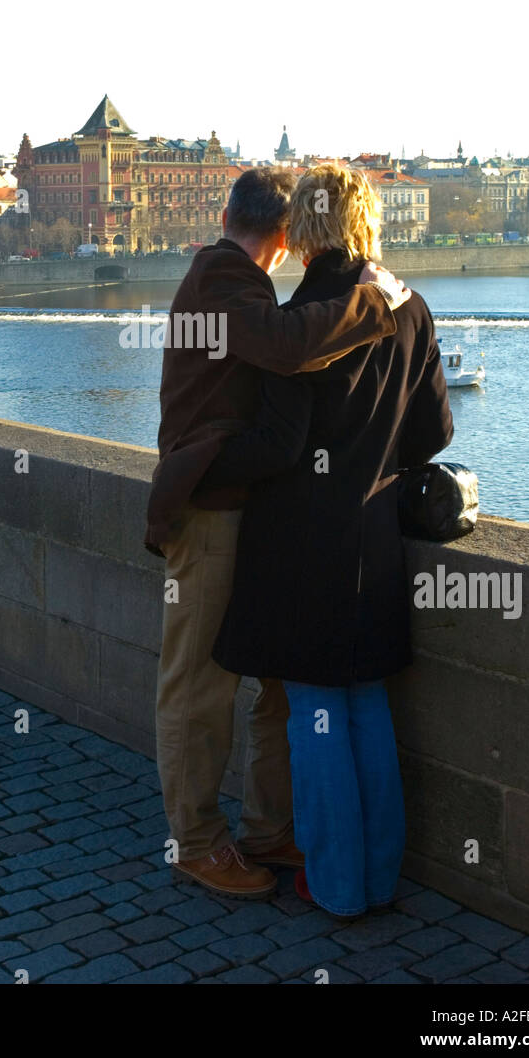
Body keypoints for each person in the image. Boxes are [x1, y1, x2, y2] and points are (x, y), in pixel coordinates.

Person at [147, 166, 411, 898]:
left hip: (250, 508)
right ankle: (197, 844)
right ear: (290, 230)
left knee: (275, 684)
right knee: (199, 685)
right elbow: (291, 349)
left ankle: (271, 829)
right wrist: (374, 297)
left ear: (234, 210)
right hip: (210, 512)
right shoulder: (223, 277)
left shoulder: (241, 281)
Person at [197, 162, 453, 916]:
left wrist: (201, 460)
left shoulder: (300, 315)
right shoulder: (410, 305)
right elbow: (434, 432)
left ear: (302, 228)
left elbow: (280, 444)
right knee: (366, 701)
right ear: (366, 217)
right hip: (374, 539)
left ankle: (336, 886)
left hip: (300, 547)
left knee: (315, 712)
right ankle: (375, 878)